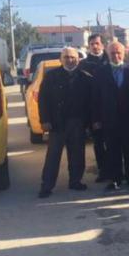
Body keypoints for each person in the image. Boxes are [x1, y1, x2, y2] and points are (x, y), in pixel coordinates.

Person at [37, 47, 93, 198]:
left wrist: (89, 122)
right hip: (57, 123)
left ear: (78, 59)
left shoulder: (85, 78)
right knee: (53, 156)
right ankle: (47, 185)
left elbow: (91, 102)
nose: (69, 60)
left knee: (77, 154)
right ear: (61, 60)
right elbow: (43, 100)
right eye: (66, 57)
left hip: (77, 122)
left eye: (73, 57)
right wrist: (45, 120)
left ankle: (75, 181)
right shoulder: (51, 77)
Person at [92, 40, 129, 193]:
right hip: (109, 118)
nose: (116, 56)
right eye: (112, 53)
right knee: (112, 149)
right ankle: (115, 179)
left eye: (118, 53)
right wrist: (96, 119)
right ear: (108, 54)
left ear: (124, 53)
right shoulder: (100, 72)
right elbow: (95, 97)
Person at [79, 32, 109, 183]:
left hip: (112, 109)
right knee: (98, 143)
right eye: (92, 44)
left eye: (97, 43)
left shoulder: (111, 59)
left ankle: (116, 170)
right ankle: (103, 171)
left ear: (103, 45)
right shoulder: (83, 65)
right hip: (93, 110)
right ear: (89, 46)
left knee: (114, 142)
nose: (95, 46)